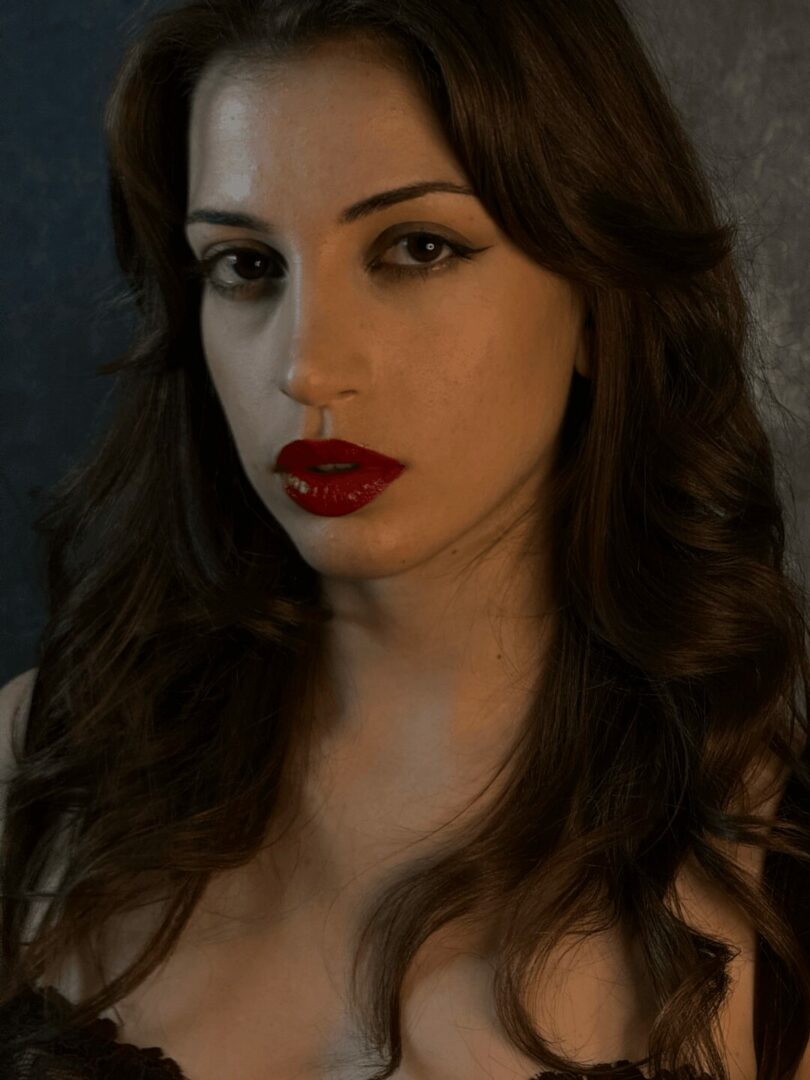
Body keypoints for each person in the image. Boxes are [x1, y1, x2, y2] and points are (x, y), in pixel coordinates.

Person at [1, 0, 808, 1077]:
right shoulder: (33, 763)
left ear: (597, 294)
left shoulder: (776, 870)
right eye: (246, 265)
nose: (307, 366)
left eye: (417, 248)